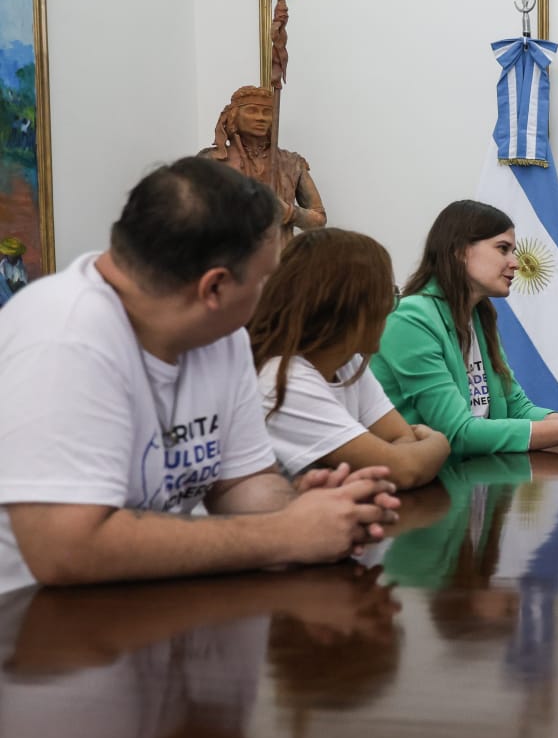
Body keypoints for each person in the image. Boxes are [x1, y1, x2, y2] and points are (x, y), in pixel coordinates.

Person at [0, 157, 398, 595]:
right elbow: (65, 550)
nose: (271, 293)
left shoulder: (219, 335)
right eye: (265, 278)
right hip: (33, 628)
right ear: (215, 288)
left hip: (146, 610)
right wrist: (286, 534)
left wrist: (309, 507)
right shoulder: (63, 338)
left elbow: (243, 482)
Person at [372, 199, 558, 456]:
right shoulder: (410, 320)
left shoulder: (479, 315)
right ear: (460, 250)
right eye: (502, 249)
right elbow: (456, 434)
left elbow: (516, 408)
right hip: (421, 489)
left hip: (475, 479)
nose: (516, 263)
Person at [249, 228, 450, 489]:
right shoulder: (285, 380)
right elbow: (404, 470)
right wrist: (440, 444)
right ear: (348, 304)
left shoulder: (348, 362)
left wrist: (392, 459)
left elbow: (400, 439)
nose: (389, 309)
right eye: (385, 295)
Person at [199, 84, 327, 236]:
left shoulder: (292, 163)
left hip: (279, 255)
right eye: (252, 111)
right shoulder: (211, 161)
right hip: (230, 254)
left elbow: (319, 220)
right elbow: (193, 213)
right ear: (234, 116)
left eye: (267, 112)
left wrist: (288, 212)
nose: (260, 118)